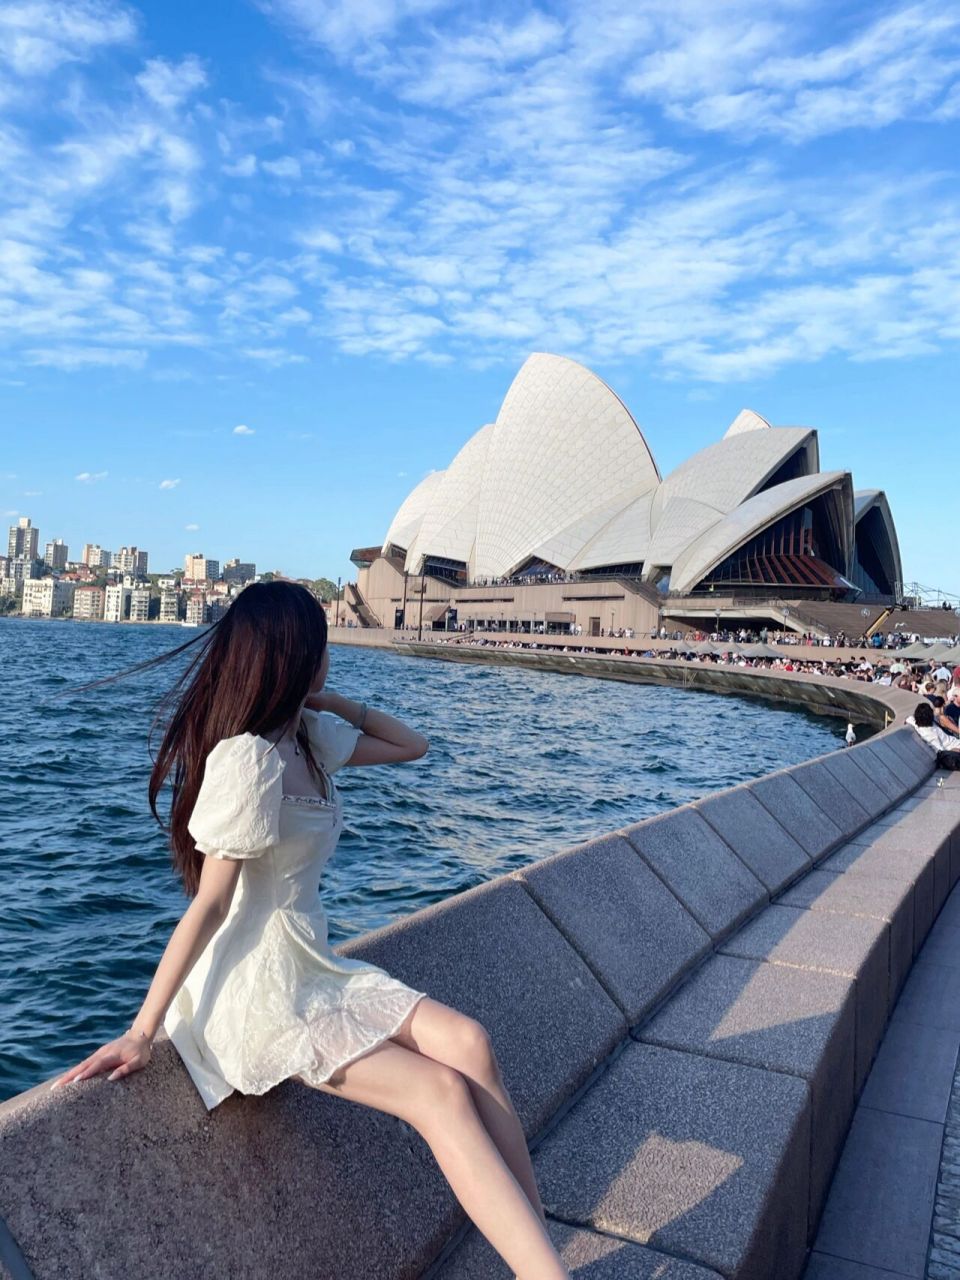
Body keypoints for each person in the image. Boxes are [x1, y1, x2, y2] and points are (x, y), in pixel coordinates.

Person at [51, 581, 570, 1280]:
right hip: (255, 990)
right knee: (439, 1093)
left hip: (312, 966)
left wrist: (325, 702)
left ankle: (534, 1246)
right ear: (293, 655)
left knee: (469, 1043)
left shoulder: (308, 741)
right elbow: (209, 906)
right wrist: (143, 1032)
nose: (330, 655)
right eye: (320, 646)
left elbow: (412, 745)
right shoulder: (247, 761)